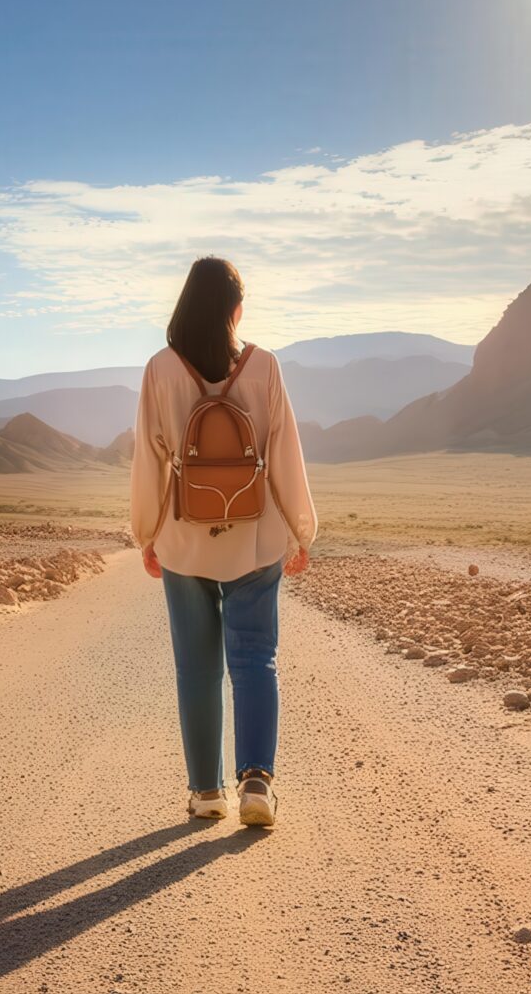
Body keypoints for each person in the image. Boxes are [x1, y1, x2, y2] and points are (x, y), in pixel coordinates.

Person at [129, 256, 316, 828]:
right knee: (256, 658)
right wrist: (300, 530)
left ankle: (206, 793)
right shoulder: (265, 368)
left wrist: (146, 534)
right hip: (256, 535)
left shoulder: (160, 368)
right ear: (236, 311)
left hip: (184, 539)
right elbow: (283, 453)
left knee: (196, 667)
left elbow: (148, 460)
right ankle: (256, 782)